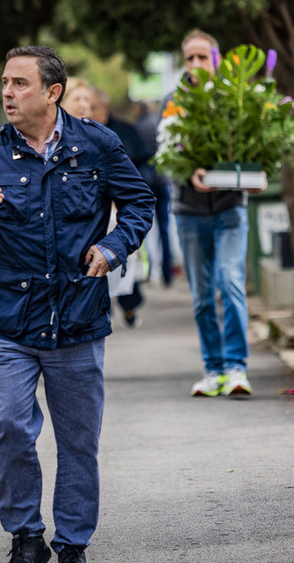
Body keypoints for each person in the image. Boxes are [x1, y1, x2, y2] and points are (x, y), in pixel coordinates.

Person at [0, 46, 154, 563]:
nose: (8, 93)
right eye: (4, 82)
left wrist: (112, 249)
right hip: (10, 318)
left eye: (19, 83)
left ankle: (72, 547)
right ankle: (24, 538)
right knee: (9, 425)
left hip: (78, 316)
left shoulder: (98, 144)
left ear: (52, 92)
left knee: (77, 439)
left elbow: (140, 205)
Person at [163, 29, 253, 398]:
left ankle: (236, 368)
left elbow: (251, 146)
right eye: (191, 58)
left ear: (216, 59)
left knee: (230, 281)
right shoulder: (172, 102)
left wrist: (252, 173)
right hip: (190, 210)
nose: (197, 64)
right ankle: (213, 369)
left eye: (204, 57)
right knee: (202, 295)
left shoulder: (234, 98)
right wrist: (188, 174)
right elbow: (165, 157)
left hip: (231, 206)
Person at [89, 87, 150, 327]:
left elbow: (145, 166)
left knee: (123, 256)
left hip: (120, 210)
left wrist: (127, 194)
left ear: (105, 108)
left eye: (93, 106)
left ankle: (129, 306)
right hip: (95, 213)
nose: (90, 111)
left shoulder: (124, 132)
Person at [133, 100, 174, 287]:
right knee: (164, 230)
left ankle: (149, 272)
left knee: (145, 229)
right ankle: (168, 272)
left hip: (146, 185)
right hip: (162, 181)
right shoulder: (156, 125)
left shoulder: (138, 128)